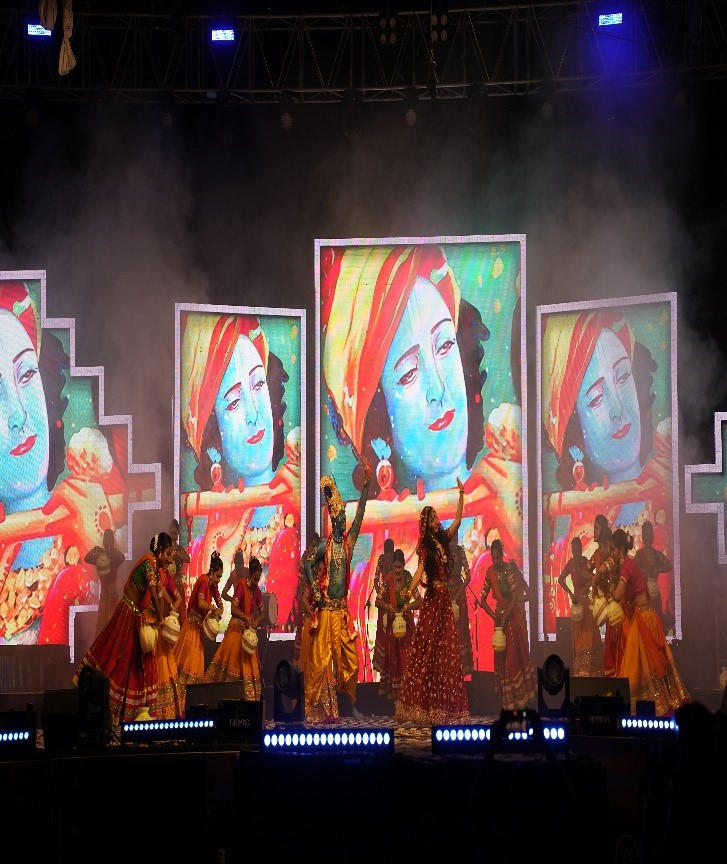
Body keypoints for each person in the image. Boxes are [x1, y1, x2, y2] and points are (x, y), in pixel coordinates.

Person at [321, 244, 525, 672]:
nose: (438, 388)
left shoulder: (508, 496)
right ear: (379, 413)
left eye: (446, 346)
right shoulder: (367, 580)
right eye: (410, 373)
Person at [541, 306, 674, 638]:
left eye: (623, 378)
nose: (618, 409)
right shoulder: (573, 537)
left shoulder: (666, 483)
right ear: (575, 427)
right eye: (597, 399)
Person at [180, 310, 301, 637]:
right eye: (233, 403)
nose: (253, 413)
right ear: (212, 429)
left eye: (258, 384)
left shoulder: (297, 505)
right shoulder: (203, 548)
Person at [73, 532, 172, 732]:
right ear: (160, 551)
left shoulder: (156, 569)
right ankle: (105, 705)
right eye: (169, 554)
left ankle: (135, 712)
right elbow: (153, 594)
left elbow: (160, 595)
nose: (170, 559)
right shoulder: (149, 563)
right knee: (119, 657)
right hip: (127, 613)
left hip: (137, 615)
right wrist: (161, 621)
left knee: (139, 663)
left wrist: (166, 613)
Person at [395, 480, 470, 725]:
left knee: (446, 652)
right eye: (433, 519)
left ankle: (444, 708)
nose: (437, 521)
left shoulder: (442, 539)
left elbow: (458, 521)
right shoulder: (426, 547)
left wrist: (461, 494)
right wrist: (408, 591)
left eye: (437, 517)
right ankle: (422, 707)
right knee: (426, 651)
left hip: (444, 600)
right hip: (433, 601)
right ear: (426, 524)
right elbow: (419, 572)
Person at [304, 462, 371, 723]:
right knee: (320, 660)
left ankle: (352, 703)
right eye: (340, 517)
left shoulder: (349, 542)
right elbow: (308, 564)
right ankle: (313, 707)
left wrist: (366, 487)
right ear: (334, 520)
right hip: (325, 610)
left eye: (344, 516)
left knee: (351, 659)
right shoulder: (325, 545)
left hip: (341, 612)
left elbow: (361, 514)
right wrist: (314, 590)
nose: (344, 520)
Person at [609, 528, 689, 715]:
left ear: (620, 549)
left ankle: (643, 707)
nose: (612, 553)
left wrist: (611, 585)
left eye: (613, 549)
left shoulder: (627, 565)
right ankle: (654, 704)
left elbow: (618, 595)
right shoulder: (632, 562)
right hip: (646, 615)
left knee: (635, 665)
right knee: (646, 664)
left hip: (643, 620)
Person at [480, 537, 536, 711]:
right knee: (503, 660)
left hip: (511, 619)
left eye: (497, 557)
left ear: (502, 556)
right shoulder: (490, 573)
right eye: (493, 558)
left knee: (512, 659)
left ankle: (521, 701)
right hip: (499, 622)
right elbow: (482, 600)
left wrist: (505, 616)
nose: (495, 561)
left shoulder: (509, 570)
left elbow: (515, 598)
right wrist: (494, 616)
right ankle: (509, 704)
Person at [205, 557, 264, 699]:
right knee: (234, 665)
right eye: (255, 579)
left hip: (248, 632)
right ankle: (229, 697)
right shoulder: (241, 586)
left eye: (258, 579)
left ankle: (248, 699)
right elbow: (233, 609)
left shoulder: (256, 590)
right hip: (237, 629)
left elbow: (263, 612)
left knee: (249, 667)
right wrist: (245, 617)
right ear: (250, 574)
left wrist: (257, 619)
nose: (256, 582)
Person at [174, 550, 224, 712]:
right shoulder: (203, 581)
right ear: (211, 572)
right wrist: (212, 608)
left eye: (220, 577)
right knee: (188, 664)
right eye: (217, 576)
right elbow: (201, 603)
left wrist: (220, 608)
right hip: (191, 628)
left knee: (196, 665)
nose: (218, 580)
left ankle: (189, 705)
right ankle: (180, 704)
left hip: (198, 631)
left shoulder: (212, 585)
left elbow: (219, 601)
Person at [375, 547, 421, 701]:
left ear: (404, 566)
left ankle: (408, 694)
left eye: (399, 567)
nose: (397, 571)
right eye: (395, 567)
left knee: (407, 658)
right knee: (393, 658)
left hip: (406, 623)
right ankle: (395, 695)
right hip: (392, 624)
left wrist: (408, 606)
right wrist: (388, 607)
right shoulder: (388, 579)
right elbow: (377, 601)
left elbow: (419, 601)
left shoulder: (408, 579)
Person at [557, 535, 604, 677]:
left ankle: (593, 672)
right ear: (572, 551)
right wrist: (571, 594)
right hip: (577, 605)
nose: (577, 553)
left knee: (591, 635)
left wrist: (582, 591)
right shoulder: (570, 564)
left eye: (578, 550)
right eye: (574, 550)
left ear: (581, 549)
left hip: (587, 602)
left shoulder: (585, 562)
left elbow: (593, 579)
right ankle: (581, 672)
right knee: (579, 638)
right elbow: (560, 579)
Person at [589, 514, 624, 677]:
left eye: (596, 528)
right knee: (611, 643)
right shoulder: (597, 554)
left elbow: (620, 568)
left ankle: (624, 679)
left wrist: (595, 583)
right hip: (608, 606)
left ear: (603, 529)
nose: (594, 531)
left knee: (620, 641)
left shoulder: (612, 549)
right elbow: (586, 571)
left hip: (619, 602)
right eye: (593, 528)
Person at [154, 549, 184, 719]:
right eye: (168, 554)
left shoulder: (166, 575)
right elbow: (160, 589)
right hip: (153, 622)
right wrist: (171, 604)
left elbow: (178, 597)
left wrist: (173, 607)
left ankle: (167, 711)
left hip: (162, 623)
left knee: (167, 664)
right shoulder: (154, 571)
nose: (170, 559)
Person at [84, 528, 126, 637]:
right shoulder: (100, 556)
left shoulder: (113, 556)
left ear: (112, 541)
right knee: (101, 630)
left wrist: (112, 550)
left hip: (113, 597)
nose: (106, 541)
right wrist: (95, 550)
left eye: (109, 538)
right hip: (104, 597)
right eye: (105, 538)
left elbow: (122, 558)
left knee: (115, 629)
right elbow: (86, 558)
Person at [634, 520, 674, 632]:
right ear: (643, 537)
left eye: (651, 534)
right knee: (644, 627)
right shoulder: (639, 554)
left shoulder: (657, 554)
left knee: (657, 624)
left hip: (655, 594)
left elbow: (669, 565)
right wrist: (644, 571)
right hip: (643, 595)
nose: (649, 537)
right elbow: (634, 569)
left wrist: (657, 569)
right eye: (647, 534)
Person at [448, 537, 474, 677]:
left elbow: (468, 577)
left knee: (461, 628)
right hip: (446, 595)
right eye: (451, 541)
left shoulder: (460, 552)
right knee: (448, 630)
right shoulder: (443, 553)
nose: (453, 544)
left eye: (455, 541)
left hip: (459, 595)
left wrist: (457, 593)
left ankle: (463, 668)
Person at [372, 537, 395, 680]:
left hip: (394, 599)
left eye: (390, 553)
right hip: (384, 600)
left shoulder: (395, 559)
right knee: (383, 631)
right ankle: (384, 667)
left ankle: (393, 666)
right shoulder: (381, 559)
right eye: (387, 552)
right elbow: (376, 578)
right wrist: (379, 592)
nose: (388, 556)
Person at [168, 517, 191, 621]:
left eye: (175, 533)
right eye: (171, 533)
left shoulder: (180, 549)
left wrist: (175, 552)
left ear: (178, 535)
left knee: (180, 616)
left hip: (178, 585)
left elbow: (188, 559)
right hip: (168, 585)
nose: (173, 536)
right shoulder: (166, 549)